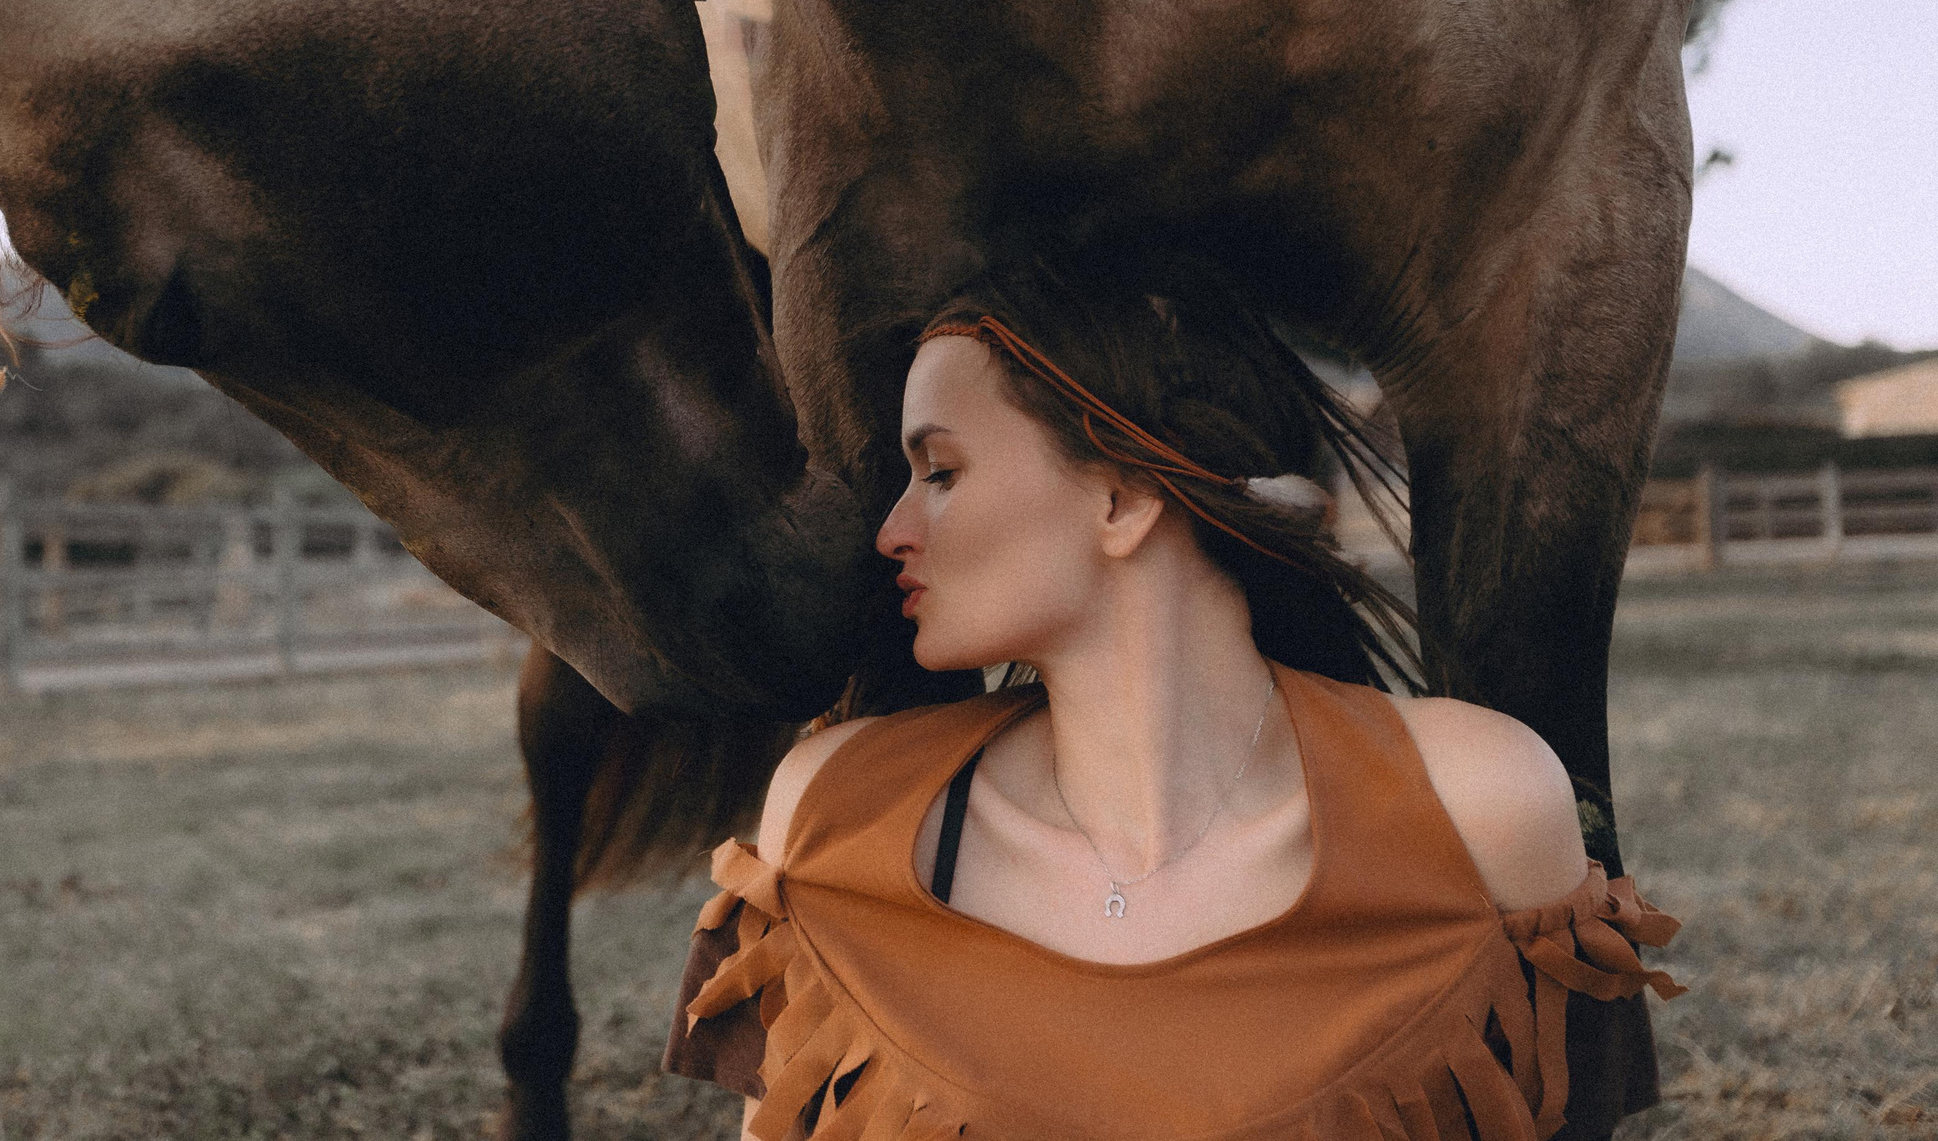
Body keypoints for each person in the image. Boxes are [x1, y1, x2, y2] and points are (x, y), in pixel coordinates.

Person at [662, 249, 1681, 1140]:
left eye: (938, 470)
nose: (892, 529)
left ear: (1119, 497)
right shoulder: (831, 818)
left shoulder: (1478, 808)